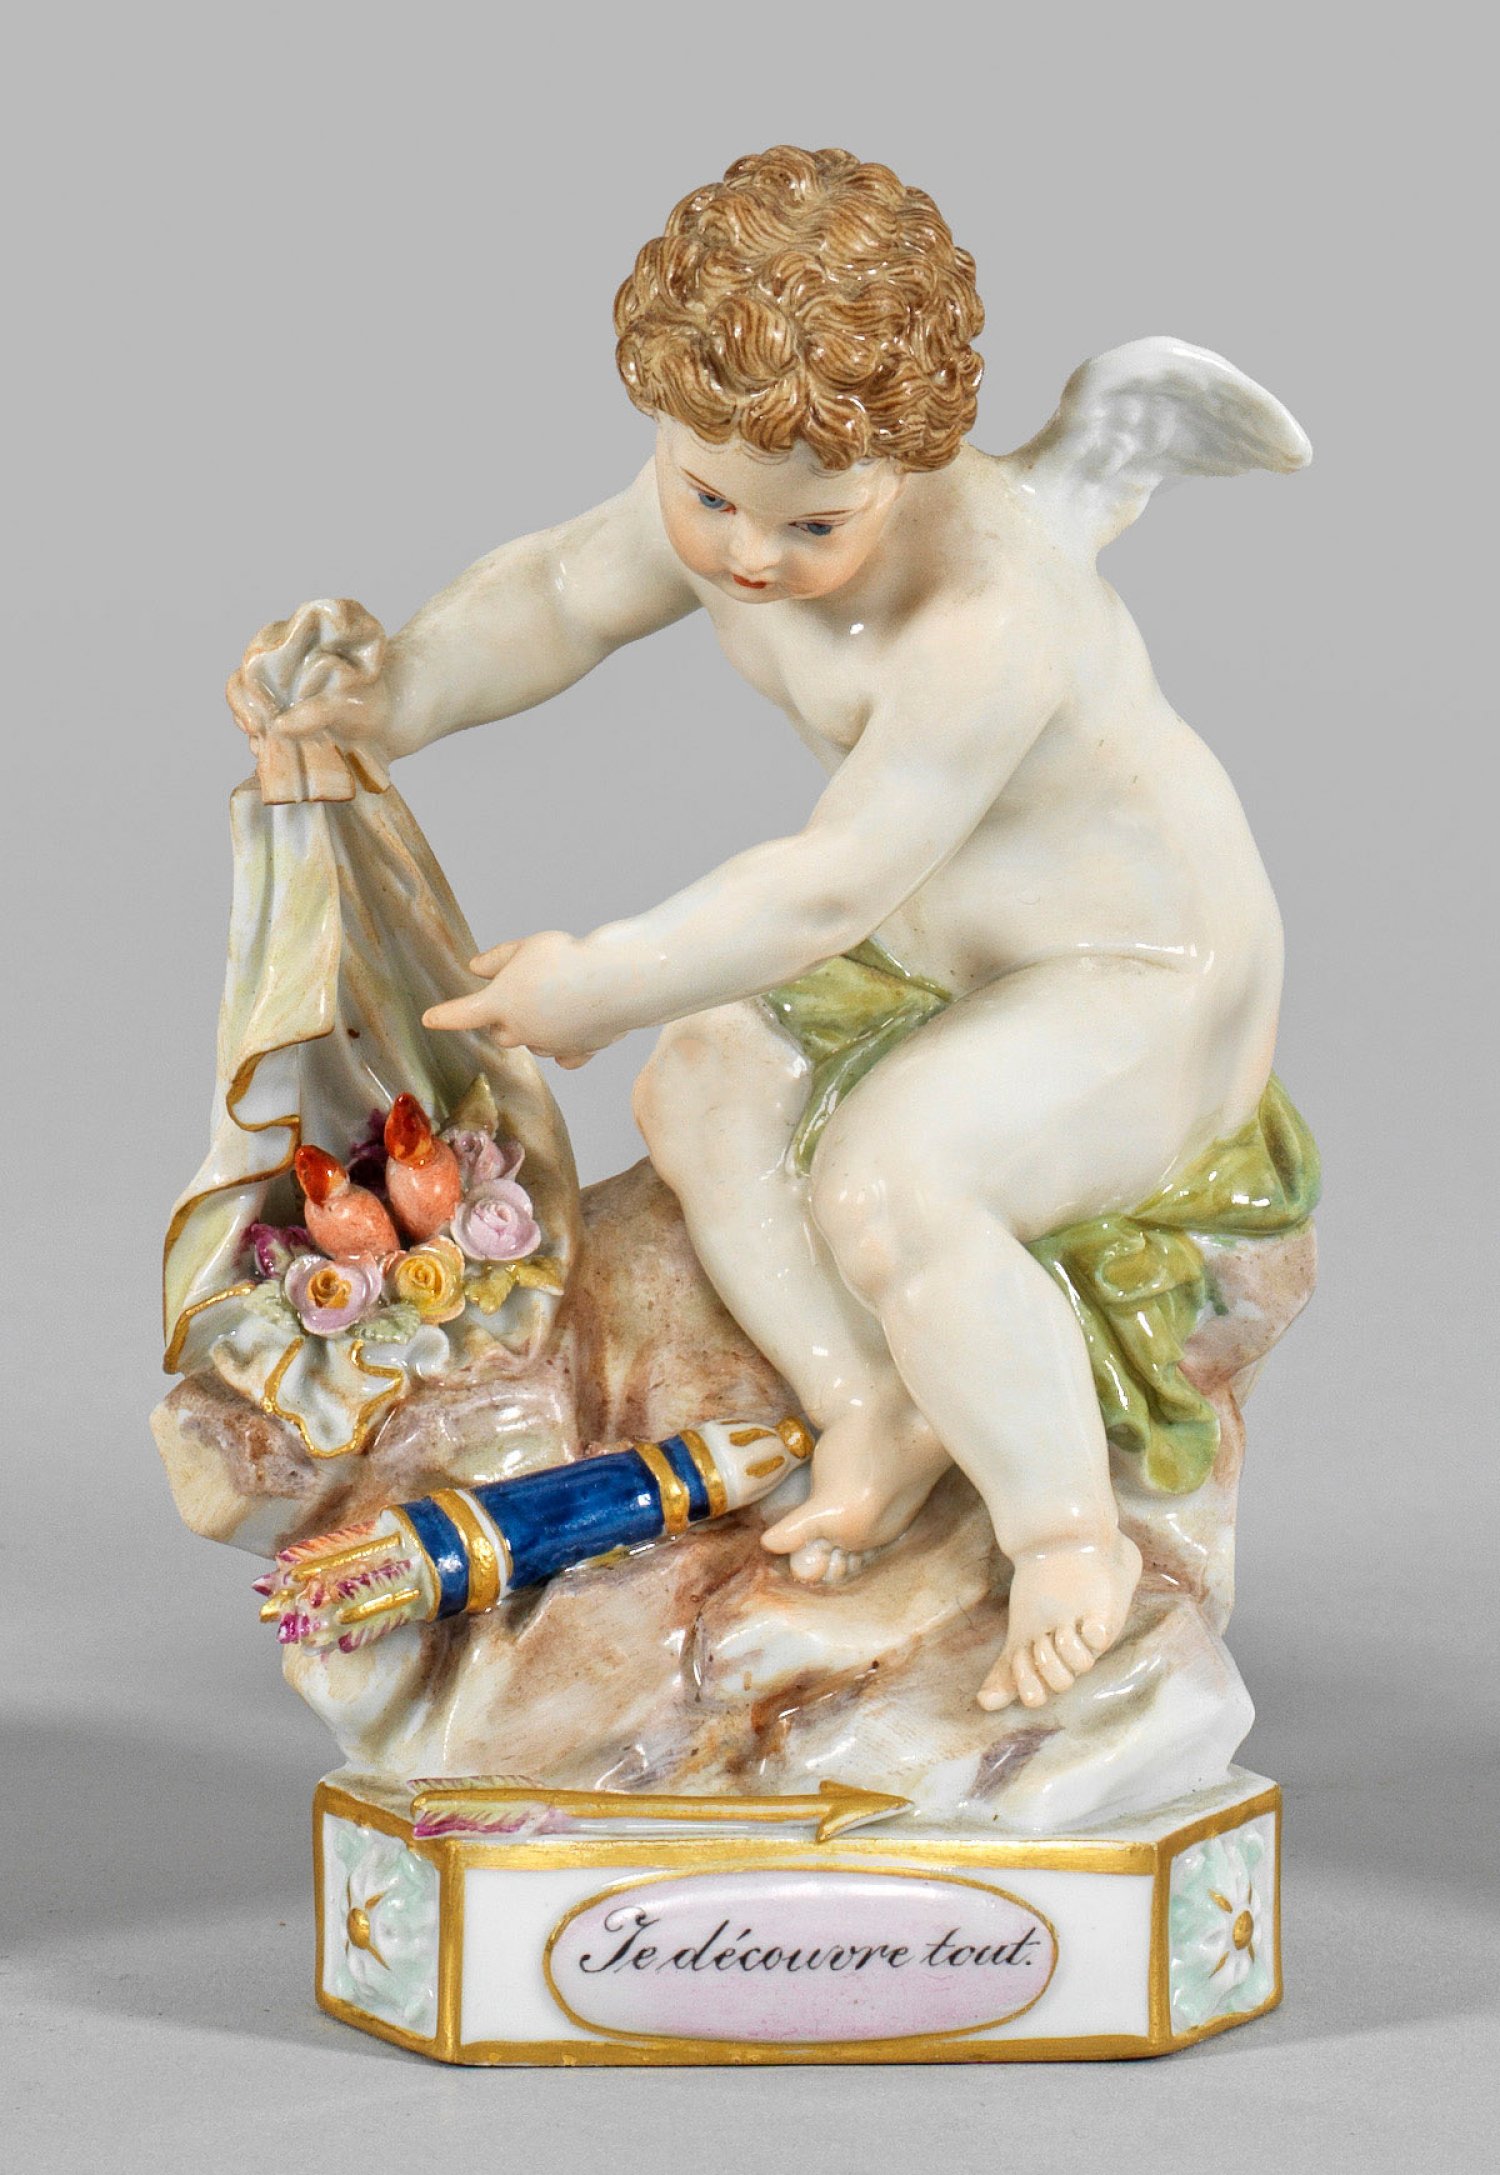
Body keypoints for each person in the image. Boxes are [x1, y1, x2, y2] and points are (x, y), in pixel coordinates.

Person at [227, 145, 1310, 1712]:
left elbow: (830, 885)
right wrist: (395, 698)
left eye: (814, 527)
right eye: (708, 497)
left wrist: (605, 972)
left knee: (895, 1180)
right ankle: (872, 1403)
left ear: (908, 462)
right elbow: (562, 594)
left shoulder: (988, 617)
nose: (747, 554)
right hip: (943, 951)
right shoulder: (742, 471)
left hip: (1137, 978)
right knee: (703, 1085)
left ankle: (1066, 1533)